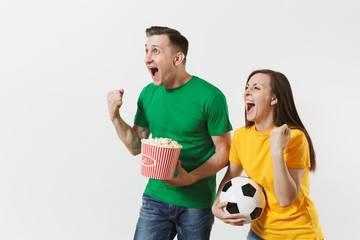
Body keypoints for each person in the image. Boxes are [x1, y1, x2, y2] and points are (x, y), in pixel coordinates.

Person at [107, 26, 232, 240]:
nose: (147, 58)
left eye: (155, 51)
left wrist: (189, 178)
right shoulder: (147, 94)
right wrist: (115, 117)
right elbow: (136, 147)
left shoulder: (210, 97)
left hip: (197, 203)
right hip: (155, 198)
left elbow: (224, 153)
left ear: (177, 58)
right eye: (146, 51)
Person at [212, 69, 324, 240]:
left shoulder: (294, 137)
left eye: (256, 88)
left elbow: (286, 199)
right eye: (247, 87)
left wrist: (277, 151)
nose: (246, 92)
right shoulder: (241, 136)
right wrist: (215, 206)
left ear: (274, 98)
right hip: (259, 232)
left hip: (299, 234)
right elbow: (231, 175)